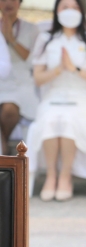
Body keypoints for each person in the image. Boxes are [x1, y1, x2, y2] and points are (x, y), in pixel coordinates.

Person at [28, 0, 86, 201]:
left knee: (70, 120)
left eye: (74, 7)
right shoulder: (46, 39)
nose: (70, 12)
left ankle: (65, 176)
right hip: (55, 95)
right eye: (65, 7)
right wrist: (58, 69)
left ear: (82, 11)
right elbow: (38, 78)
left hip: (84, 97)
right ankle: (51, 176)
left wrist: (75, 70)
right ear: (56, 11)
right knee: (50, 119)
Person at [0, 0, 38, 154]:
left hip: (21, 84)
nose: (8, 2)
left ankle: (4, 143)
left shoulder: (32, 29)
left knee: (10, 110)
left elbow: (32, 60)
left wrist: (11, 39)